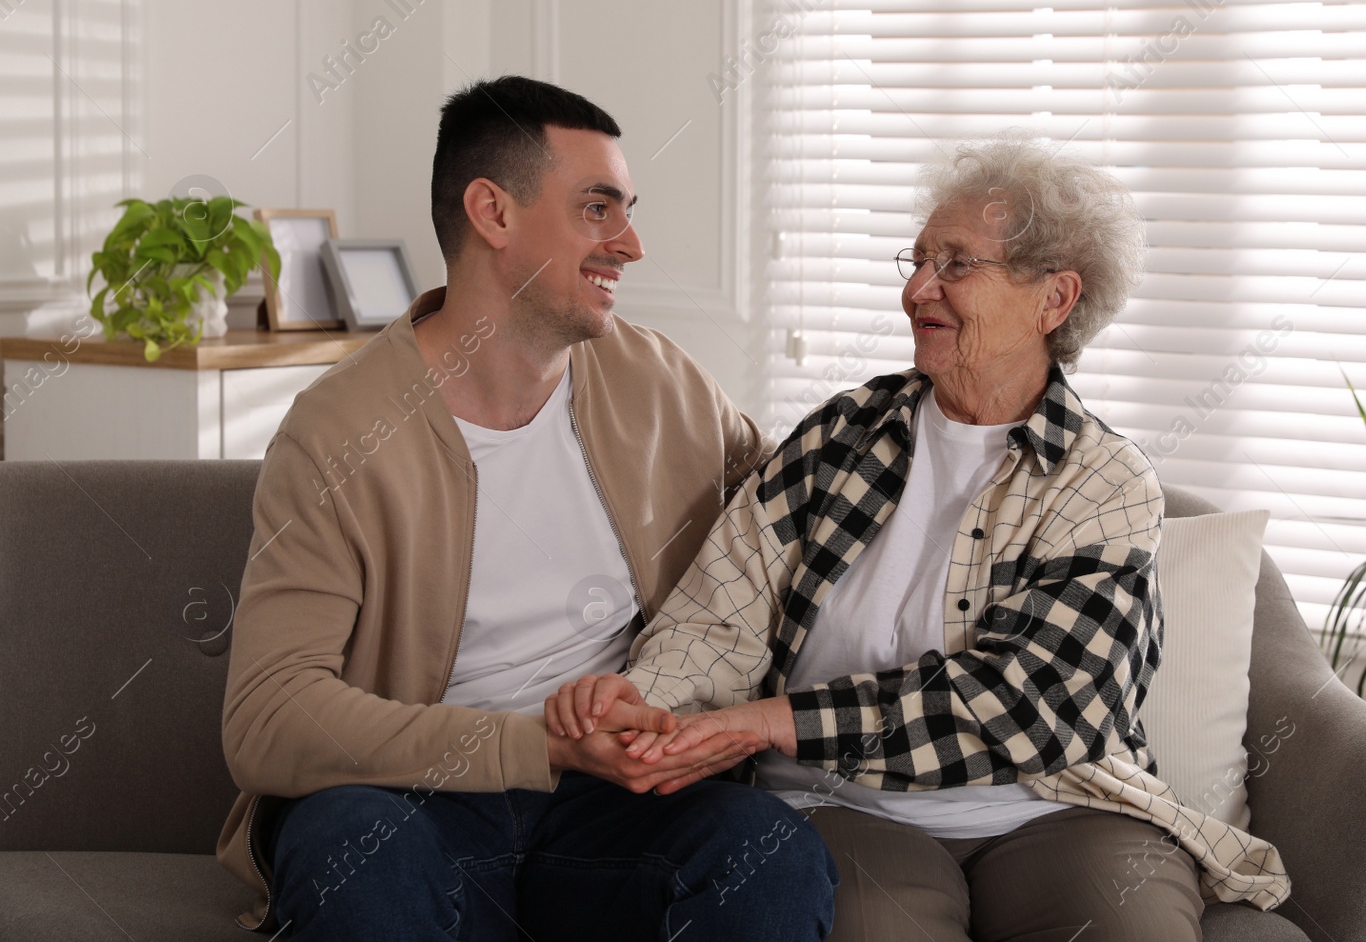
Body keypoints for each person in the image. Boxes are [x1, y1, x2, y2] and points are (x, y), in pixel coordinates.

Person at [547, 135, 1291, 942]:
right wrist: (646, 702)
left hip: (1054, 802)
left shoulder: (1103, 482)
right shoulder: (840, 435)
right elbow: (720, 610)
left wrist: (773, 720)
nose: (916, 288)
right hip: (845, 800)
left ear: (1055, 298)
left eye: (957, 264)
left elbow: (1032, 703)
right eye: (918, 258)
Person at [216, 76, 837, 941]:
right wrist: (538, 745)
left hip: (610, 805)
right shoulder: (339, 430)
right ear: (492, 213)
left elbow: (795, 507)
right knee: (348, 844)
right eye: (597, 209)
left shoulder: (658, 380)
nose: (631, 243)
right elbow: (267, 717)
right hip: (414, 803)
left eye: (626, 211)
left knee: (771, 855)